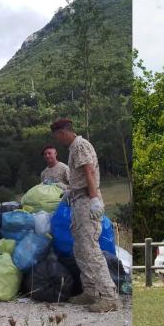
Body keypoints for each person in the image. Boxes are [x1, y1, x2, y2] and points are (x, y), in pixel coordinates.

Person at [50, 118, 119, 313]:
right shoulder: (73, 148)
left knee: (90, 249)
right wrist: (70, 192)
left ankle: (109, 296)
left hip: (88, 201)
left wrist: (95, 198)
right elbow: (80, 176)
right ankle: (90, 291)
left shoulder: (79, 145)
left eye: (57, 136)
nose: (58, 140)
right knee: (80, 248)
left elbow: (89, 172)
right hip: (78, 200)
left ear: (63, 132)